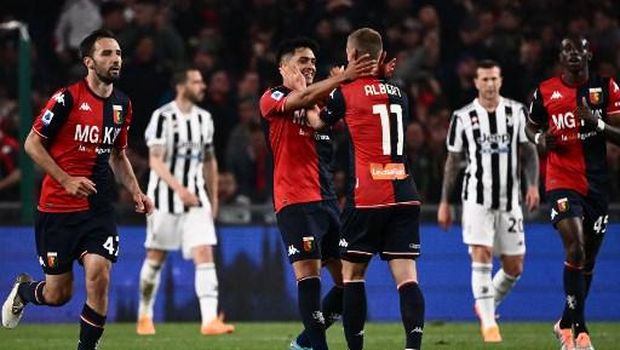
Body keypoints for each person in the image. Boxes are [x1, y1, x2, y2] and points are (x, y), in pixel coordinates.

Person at [1, 29, 153, 350]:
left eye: (118, 53)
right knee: (58, 295)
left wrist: (136, 191)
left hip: (97, 209)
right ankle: (26, 292)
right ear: (88, 62)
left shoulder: (122, 104)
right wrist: (66, 179)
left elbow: (118, 154)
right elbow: (32, 143)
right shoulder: (67, 98)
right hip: (56, 210)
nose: (115, 60)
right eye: (107, 54)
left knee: (99, 273)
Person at [302, 27, 425, 350]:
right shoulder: (400, 92)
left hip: (368, 195)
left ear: (354, 56)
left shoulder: (347, 92)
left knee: (353, 276)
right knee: (407, 276)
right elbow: (378, 106)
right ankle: (414, 347)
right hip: (405, 193)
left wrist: (326, 91)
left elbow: (317, 122)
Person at [259, 37, 376, 350]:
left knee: (348, 280)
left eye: (312, 61)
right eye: (302, 61)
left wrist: (362, 80)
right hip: (295, 202)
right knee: (309, 277)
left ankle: (302, 344)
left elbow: (344, 108)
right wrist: (339, 78)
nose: (309, 66)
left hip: (327, 203)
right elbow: (302, 98)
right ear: (283, 68)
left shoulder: (320, 103)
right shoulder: (272, 98)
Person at [526, 34, 620, 350]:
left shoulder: (607, 89)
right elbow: (531, 127)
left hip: (596, 186)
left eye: (580, 48)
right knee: (576, 249)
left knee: (587, 261)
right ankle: (578, 332)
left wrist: (598, 124)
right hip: (560, 180)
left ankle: (564, 321)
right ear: (561, 57)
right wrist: (540, 140)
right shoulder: (544, 91)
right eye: (568, 49)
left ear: (589, 54)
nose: (574, 54)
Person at [437, 60, 540, 343]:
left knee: (514, 267)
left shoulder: (517, 112)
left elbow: (529, 152)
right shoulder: (462, 117)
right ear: (476, 83)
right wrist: (445, 202)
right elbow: (453, 161)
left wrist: (532, 185)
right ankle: (489, 325)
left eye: (494, 79)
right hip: (476, 199)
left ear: (501, 80)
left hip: (510, 200)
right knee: (480, 253)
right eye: (484, 79)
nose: (490, 84)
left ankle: (486, 302)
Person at [136, 66, 234, 336]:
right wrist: (178, 189)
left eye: (202, 81)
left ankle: (209, 320)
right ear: (181, 86)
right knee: (155, 258)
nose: (202, 86)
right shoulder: (162, 117)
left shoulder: (205, 119)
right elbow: (155, 159)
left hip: (197, 199)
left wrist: (212, 197)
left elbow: (209, 160)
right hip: (164, 199)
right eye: (196, 81)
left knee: (205, 253)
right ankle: (144, 314)